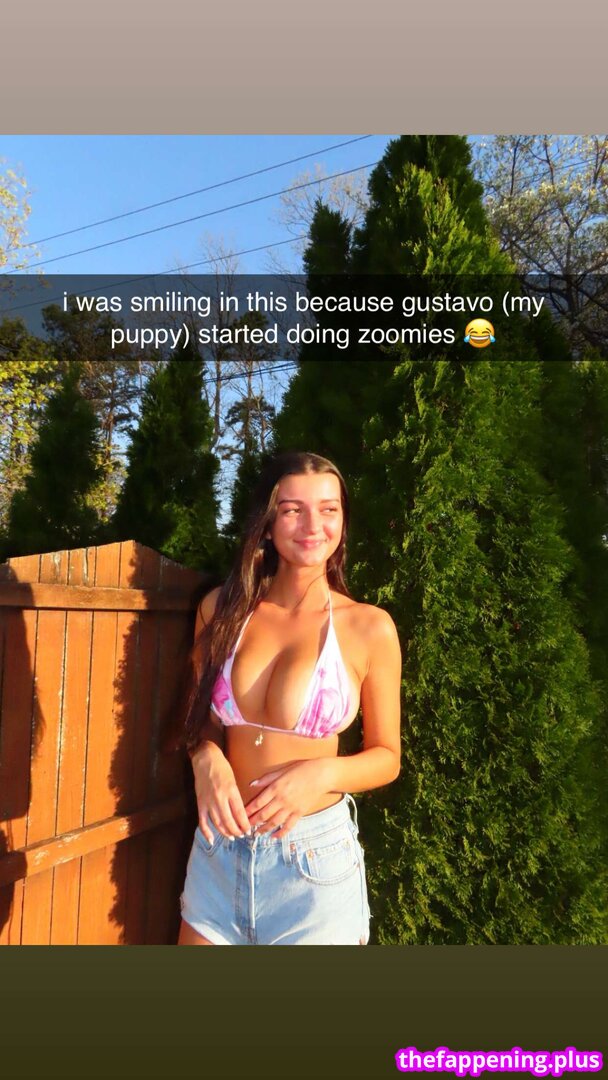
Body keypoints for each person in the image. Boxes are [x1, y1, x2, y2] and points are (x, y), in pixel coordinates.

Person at [178, 451, 402, 945]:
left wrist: (321, 774)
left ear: (343, 520)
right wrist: (205, 758)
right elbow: (199, 720)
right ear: (267, 521)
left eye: (328, 509)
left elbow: (388, 757)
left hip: (311, 865)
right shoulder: (221, 610)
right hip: (218, 851)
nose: (312, 525)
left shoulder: (369, 627)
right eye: (292, 509)